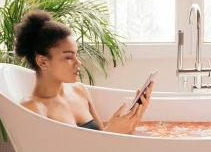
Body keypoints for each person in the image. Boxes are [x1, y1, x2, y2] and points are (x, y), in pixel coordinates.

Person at [14, 10, 152, 134]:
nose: (77, 62)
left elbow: (107, 144)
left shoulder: (79, 91)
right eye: (68, 57)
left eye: (76, 55)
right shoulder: (33, 108)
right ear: (43, 62)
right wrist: (111, 130)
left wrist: (137, 114)